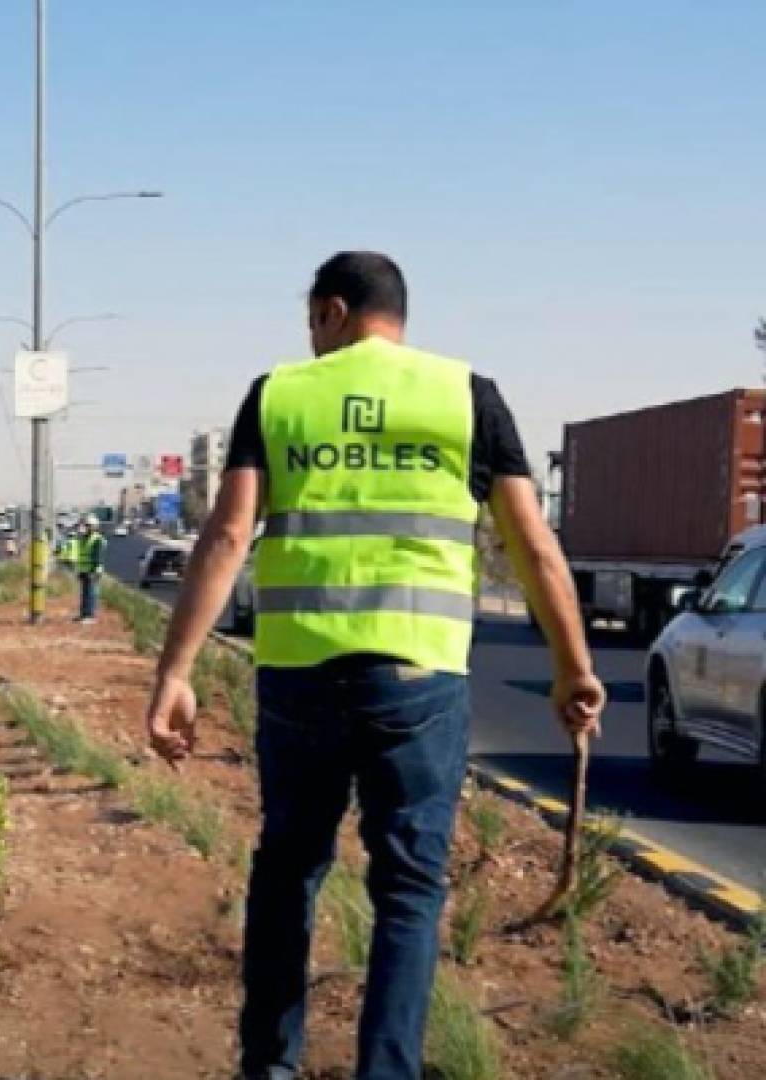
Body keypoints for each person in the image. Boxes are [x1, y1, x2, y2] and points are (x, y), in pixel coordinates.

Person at [142, 252, 604, 1080]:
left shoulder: (280, 394)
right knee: (410, 889)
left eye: (311, 322)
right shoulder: (467, 395)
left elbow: (225, 536)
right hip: (419, 680)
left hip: (298, 676)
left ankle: (269, 1067)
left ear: (332, 310)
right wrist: (573, 667)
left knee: (288, 869)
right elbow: (534, 544)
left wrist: (174, 672)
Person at [72, 514, 107, 623]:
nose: (84, 527)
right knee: (84, 593)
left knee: (91, 593)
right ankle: (83, 615)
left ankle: (90, 616)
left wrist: (95, 570)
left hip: (92, 571)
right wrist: (79, 570)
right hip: (84, 570)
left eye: (87, 525)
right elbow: (80, 554)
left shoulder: (97, 539)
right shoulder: (84, 538)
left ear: (93, 527)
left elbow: (98, 557)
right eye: (84, 525)